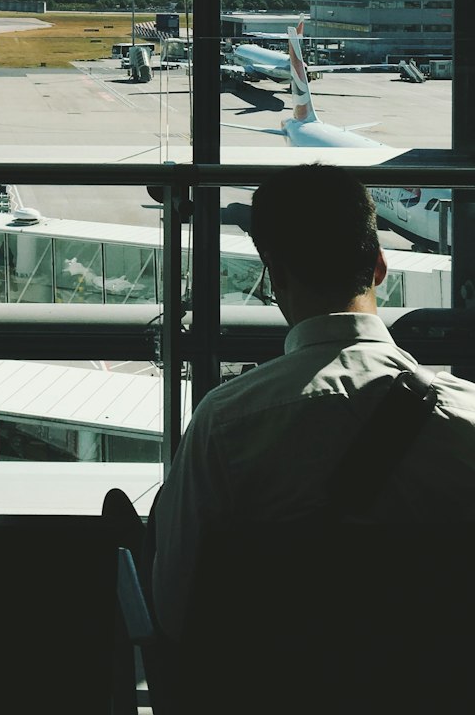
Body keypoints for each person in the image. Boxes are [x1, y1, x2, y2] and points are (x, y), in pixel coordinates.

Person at [149, 163, 475, 647]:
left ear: (274, 278)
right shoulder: (467, 417)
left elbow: (174, 606)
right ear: (380, 267)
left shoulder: (226, 422)